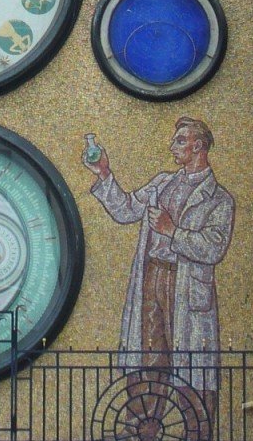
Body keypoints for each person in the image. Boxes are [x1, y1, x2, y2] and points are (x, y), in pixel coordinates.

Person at [83, 118, 234, 383]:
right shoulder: (163, 182)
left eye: (180, 141)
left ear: (198, 146)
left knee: (191, 366)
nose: (172, 146)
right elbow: (127, 209)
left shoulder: (219, 199)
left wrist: (171, 231)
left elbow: (214, 248)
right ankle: (142, 422)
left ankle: (196, 424)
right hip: (152, 275)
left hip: (185, 282)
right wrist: (104, 173)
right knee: (148, 354)